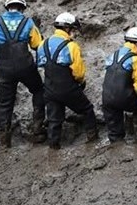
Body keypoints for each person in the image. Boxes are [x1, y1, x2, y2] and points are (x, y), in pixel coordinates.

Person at [0, 0, 45, 147]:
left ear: (7, 7)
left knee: (5, 103)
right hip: (26, 66)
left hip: (4, 69)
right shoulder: (28, 22)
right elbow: (39, 46)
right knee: (38, 91)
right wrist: (41, 64)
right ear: (22, 7)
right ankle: (37, 129)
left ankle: (4, 139)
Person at [37, 12, 98, 149]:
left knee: (54, 120)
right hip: (68, 88)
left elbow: (40, 65)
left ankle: (53, 147)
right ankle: (93, 140)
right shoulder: (71, 46)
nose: (74, 33)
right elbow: (78, 72)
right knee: (87, 109)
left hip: (49, 88)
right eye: (73, 30)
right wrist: (81, 83)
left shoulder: (43, 44)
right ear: (68, 28)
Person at [101, 27, 137, 143]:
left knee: (115, 132)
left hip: (107, 98)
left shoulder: (113, 55)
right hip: (124, 99)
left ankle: (116, 147)